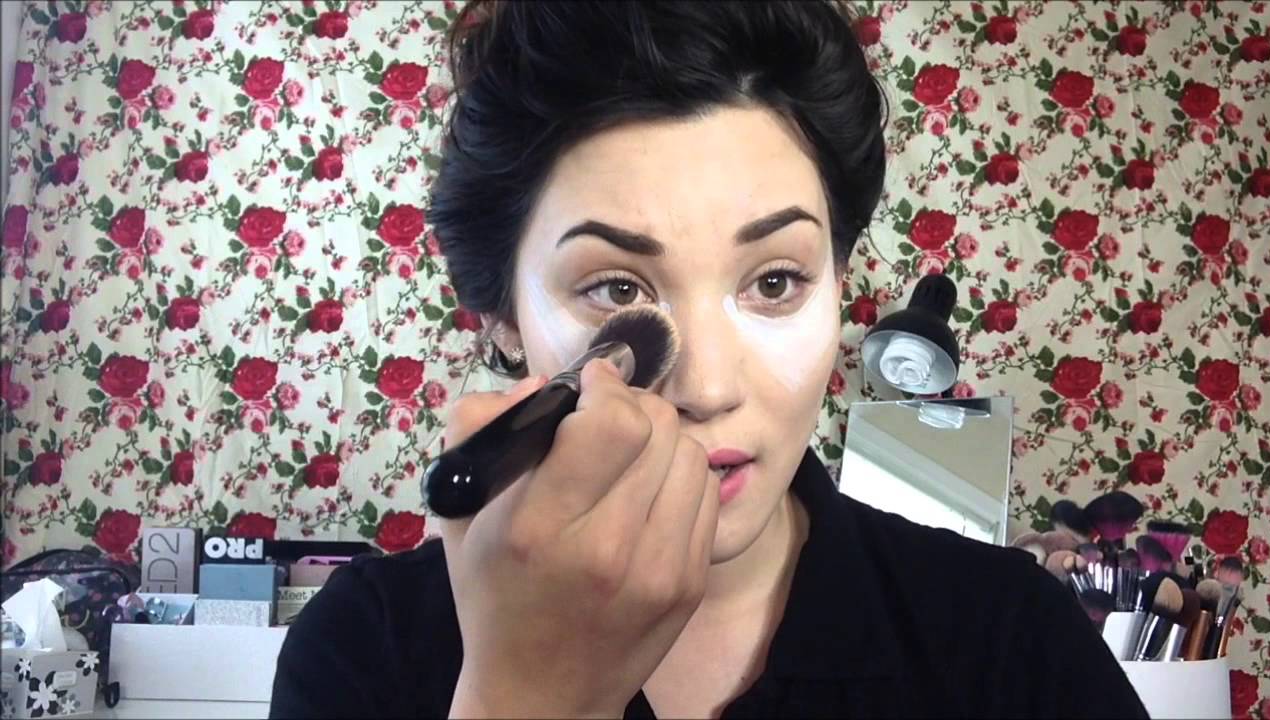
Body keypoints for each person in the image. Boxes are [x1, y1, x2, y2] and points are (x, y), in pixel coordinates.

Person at [270, 2, 1149, 717]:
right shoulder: (367, 648)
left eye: (775, 280)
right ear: (502, 318)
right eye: (616, 289)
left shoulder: (1010, 636)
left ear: (839, 283)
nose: (708, 388)